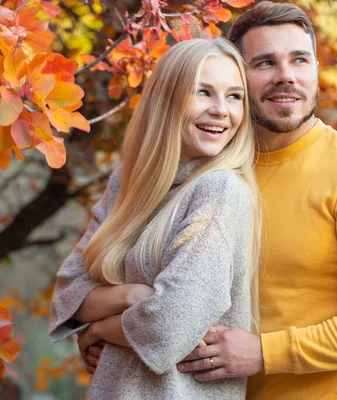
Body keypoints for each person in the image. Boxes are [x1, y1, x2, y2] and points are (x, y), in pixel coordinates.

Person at [83, 2, 337, 399]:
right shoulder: (207, 168)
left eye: (300, 60)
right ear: (238, 78)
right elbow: (140, 283)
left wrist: (263, 352)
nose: (286, 77)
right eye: (264, 63)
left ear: (315, 69)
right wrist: (104, 335)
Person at [47, 37, 261, 400]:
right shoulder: (128, 182)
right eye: (203, 92)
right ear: (166, 98)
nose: (222, 110)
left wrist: (97, 331)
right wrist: (134, 295)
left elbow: (169, 325)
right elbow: (69, 292)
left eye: (235, 96)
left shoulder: (220, 191)